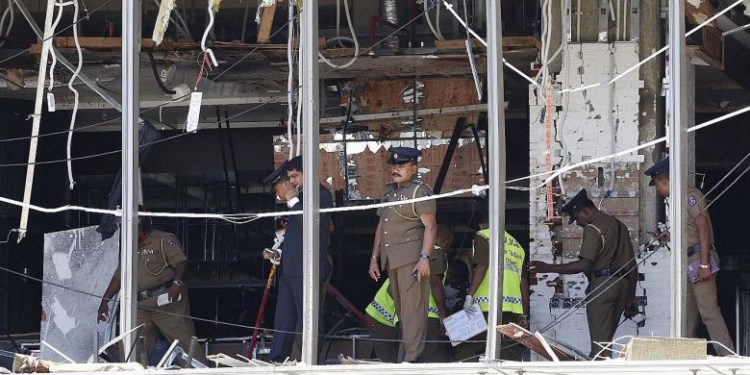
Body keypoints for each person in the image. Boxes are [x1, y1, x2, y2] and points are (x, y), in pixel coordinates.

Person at [531, 189, 637, 359]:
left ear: (585, 211)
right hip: (623, 286)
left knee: (600, 347)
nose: (578, 224)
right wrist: (630, 297)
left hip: (603, 286)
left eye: (577, 219)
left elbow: (584, 264)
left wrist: (547, 268)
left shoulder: (593, 228)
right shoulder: (619, 225)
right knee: (605, 341)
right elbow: (632, 266)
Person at [645, 157, 735, 356]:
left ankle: (729, 357)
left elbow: (702, 226)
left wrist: (704, 265)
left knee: (709, 312)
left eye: (657, 185)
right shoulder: (678, 201)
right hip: (688, 261)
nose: (658, 191)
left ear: (664, 180)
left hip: (698, 259)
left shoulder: (689, 195)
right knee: (686, 317)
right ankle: (685, 357)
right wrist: (668, 234)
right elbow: (690, 228)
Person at [97, 217, 201, 365]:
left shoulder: (162, 239)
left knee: (184, 343)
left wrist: (177, 282)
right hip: (141, 306)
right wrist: (105, 300)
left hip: (167, 302)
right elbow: (119, 276)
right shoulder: (129, 246)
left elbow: (181, 262)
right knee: (130, 346)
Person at [368, 146, 437, 363]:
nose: (396, 169)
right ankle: (405, 357)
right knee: (401, 311)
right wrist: (374, 257)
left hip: (411, 259)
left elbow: (431, 227)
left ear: (414, 167)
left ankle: (413, 359)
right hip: (392, 260)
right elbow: (382, 224)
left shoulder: (420, 191)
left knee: (413, 312)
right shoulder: (390, 191)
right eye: (394, 165)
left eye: (402, 165)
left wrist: (424, 258)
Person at [264, 156, 333, 363]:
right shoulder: (300, 200)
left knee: (309, 320)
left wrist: (293, 200)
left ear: (308, 173)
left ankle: (311, 361)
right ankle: (277, 360)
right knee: (283, 320)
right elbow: (295, 236)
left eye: (296, 176)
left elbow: (310, 225)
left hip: (308, 269)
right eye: (290, 177)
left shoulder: (321, 195)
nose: (293, 182)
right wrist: (280, 252)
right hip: (290, 268)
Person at [454, 209, 529, 362]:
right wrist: (524, 313)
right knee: (507, 351)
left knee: (465, 346)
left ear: (481, 225)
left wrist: (469, 296)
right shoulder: (518, 247)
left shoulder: (484, 236)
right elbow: (523, 283)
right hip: (511, 309)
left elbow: (482, 267)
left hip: (485, 306)